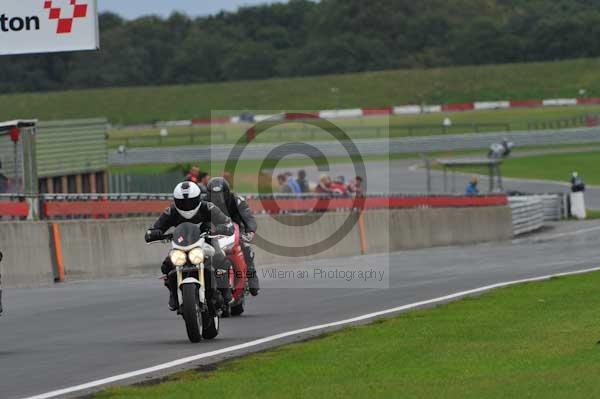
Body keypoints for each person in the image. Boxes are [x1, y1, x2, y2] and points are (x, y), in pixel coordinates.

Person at [145, 182, 234, 311]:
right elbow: (155, 228)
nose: (187, 206)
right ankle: (174, 294)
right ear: (176, 201)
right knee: (167, 264)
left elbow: (227, 222)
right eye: (183, 202)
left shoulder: (207, 207)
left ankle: (225, 290)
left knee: (219, 257)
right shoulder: (171, 211)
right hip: (181, 244)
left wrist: (223, 227)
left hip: (206, 240)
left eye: (190, 201)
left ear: (198, 198)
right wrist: (154, 233)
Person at [207, 177, 260, 296]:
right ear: (208, 193)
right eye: (214, 195)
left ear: (226, 192)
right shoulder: (203, 202)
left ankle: (252, 276)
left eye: (220, 194)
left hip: (235, 229)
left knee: (246, 247)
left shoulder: (237, 200)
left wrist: (250, 231)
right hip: (212, 231)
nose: (217, 198)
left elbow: (248, 217)